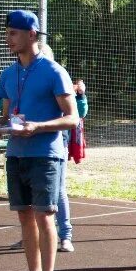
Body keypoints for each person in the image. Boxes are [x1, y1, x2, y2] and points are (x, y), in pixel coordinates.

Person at [0, 10, 79, 271]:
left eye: (13, 33)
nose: (8, 39)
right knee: (25, 217)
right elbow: (5, 116)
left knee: (45, 216)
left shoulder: (54, 71)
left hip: (45, 155)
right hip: (16, 154)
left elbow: (72, 118)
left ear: (32, 35)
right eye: (7, 33)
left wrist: (38, 127)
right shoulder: (8, 73)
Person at [53, 72, 86, 253]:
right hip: (29, 147)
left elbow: (79, 113)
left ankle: (65, 236)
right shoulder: (22, 81)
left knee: (58, 191)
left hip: (57, 146)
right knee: (33, 195)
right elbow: (8, 106)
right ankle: (31, 235)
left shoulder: (59, 81)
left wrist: (80, 95)